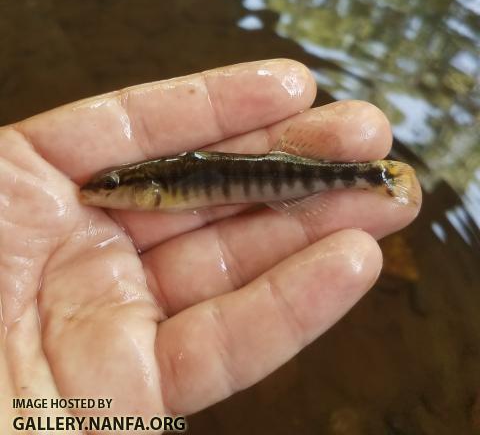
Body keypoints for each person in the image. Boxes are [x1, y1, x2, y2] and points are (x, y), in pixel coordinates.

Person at [0, 59, 420, 426]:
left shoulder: (160, 188)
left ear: (144, 185)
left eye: (110, 186)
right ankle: (373, 177)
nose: (97, 191)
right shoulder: (151, 192)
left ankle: (375, 177)